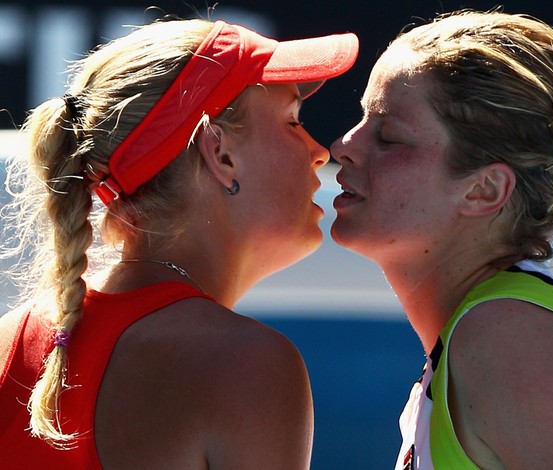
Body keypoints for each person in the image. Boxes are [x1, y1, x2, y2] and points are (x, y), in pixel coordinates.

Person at [0, 15, 358, 469]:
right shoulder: (247, 365)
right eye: (292, 122)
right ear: (221, 153)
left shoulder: (10, 342)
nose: (320, 150)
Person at [330, 9, 553, 469]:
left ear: (484, 190)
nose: (343, 145)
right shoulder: (490, 331)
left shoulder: (510, 338)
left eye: (388, 136)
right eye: (363, 119)